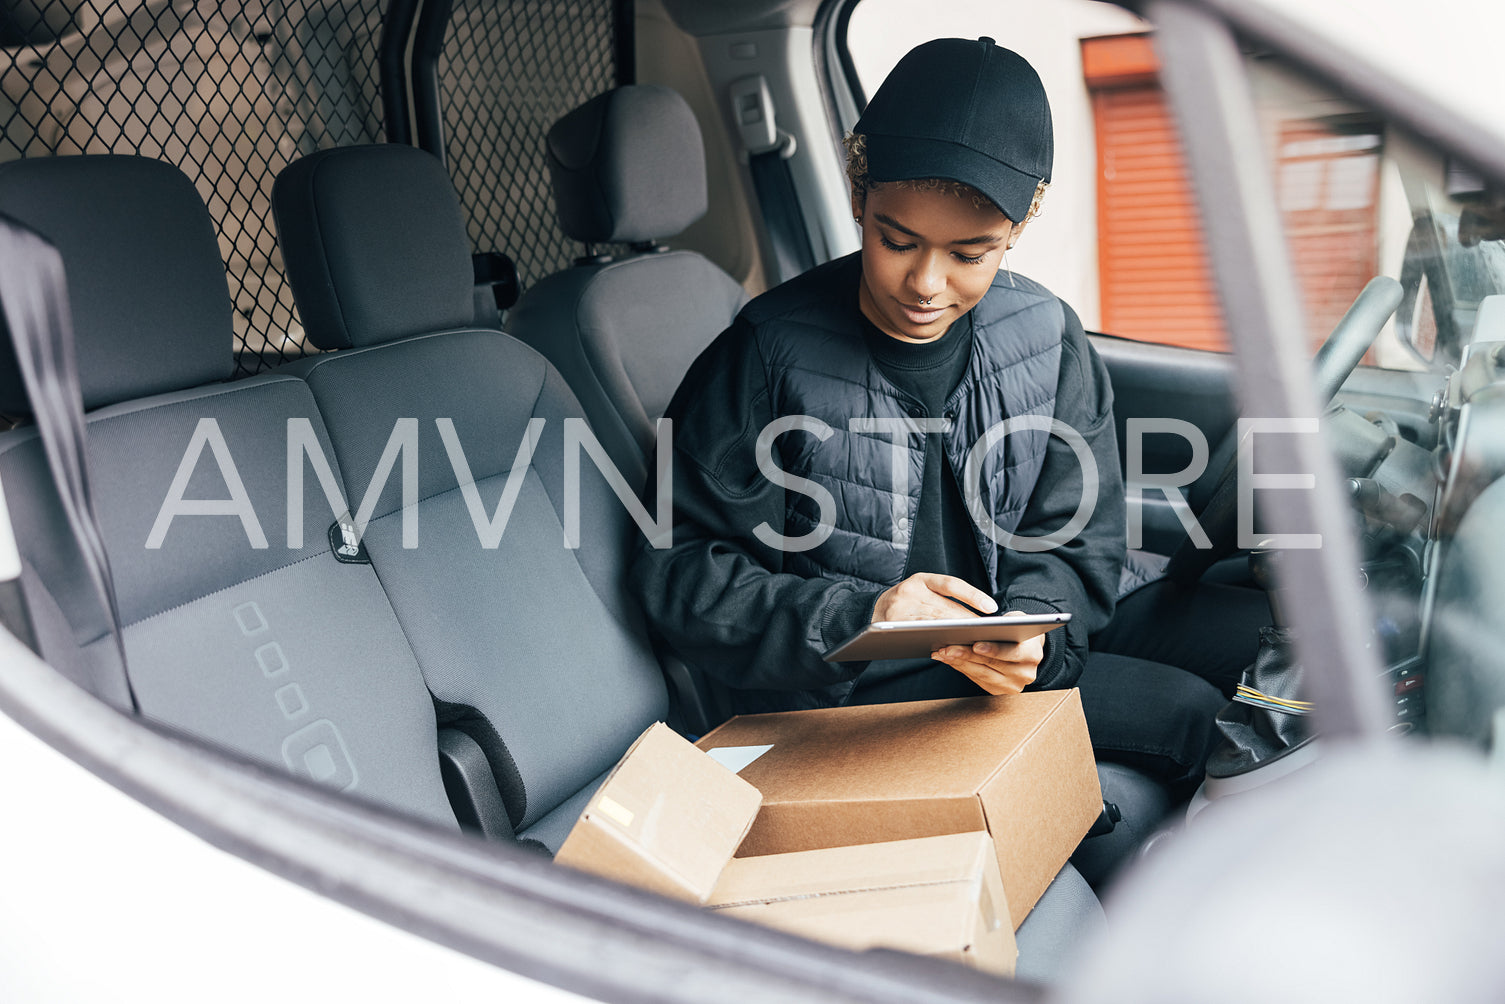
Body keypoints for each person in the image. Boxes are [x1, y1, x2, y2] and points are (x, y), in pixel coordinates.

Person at [631, 37, 1260, 794]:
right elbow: (683, 576)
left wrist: (1034, 633)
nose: (925, 283)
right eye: (895, 240)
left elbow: (1077, 537)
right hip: (854, 686)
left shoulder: (1048, 334)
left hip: (1000, 642)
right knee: (1191, 714)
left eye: (970, 254)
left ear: (1019, 227)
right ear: (859, 193)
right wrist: (865, 615)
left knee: (1277, 644)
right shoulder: (763, 354)